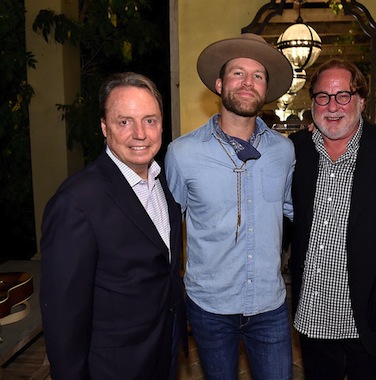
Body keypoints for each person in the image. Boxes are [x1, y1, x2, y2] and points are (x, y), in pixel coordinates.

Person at [40, 72, 187, 379]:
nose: (140, 133)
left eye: (150, 120)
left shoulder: (160, 183)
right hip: (115, 367)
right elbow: (63, 316)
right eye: (124, 122)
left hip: (163, 351)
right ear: (104, 127)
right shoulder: (77, 201)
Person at [164, 33, 295, 379]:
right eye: (238, 73)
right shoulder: (182, 153)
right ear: (220, 84)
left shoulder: (284, 152)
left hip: (269, 304)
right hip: (209, 306)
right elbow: (166, 227)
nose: (248, 82)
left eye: (258, 75)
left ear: (265, 89)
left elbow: (298, 210)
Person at [288, 59, 376, 379]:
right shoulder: (295, 151)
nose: (332, 106)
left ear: (360, 100)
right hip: (313, 312)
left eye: (343, 96)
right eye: (323, 96)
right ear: (313, 104)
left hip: (366, 316)